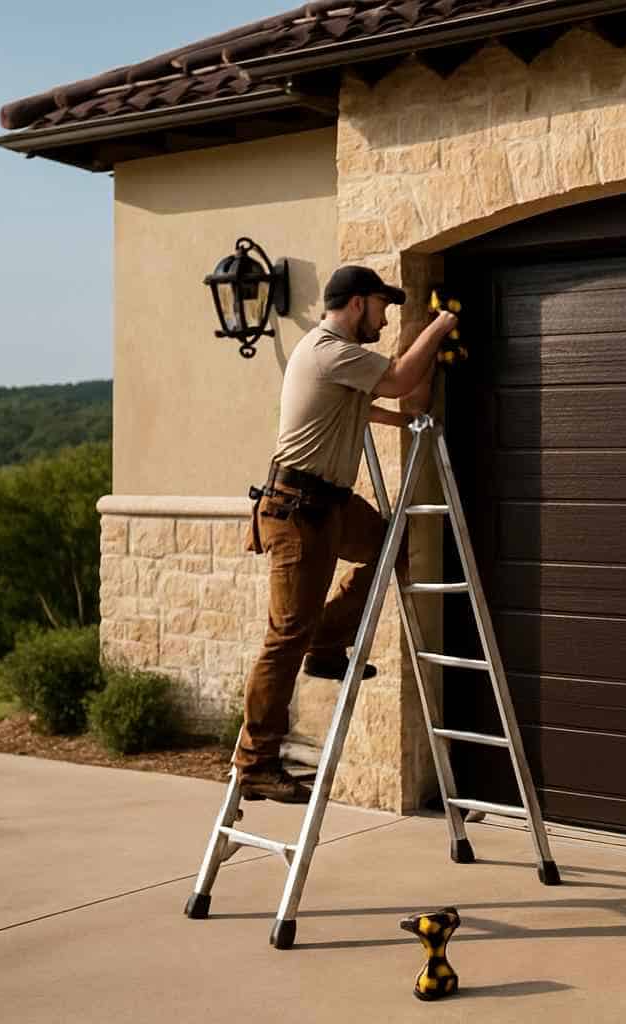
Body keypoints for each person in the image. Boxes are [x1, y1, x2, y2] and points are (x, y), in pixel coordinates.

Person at [235, 265, 457, 803]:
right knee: (285, 637)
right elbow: (399, 379)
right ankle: (256, 762)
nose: (385, 318)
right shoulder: (328, 350)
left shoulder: (344, 360)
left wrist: (416, 385)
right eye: (382, 306)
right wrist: (441, 324)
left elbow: (390, 401)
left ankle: (328, 641)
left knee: (388, 546)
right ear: (357, 303)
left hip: (330, 505)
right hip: (298, 511)